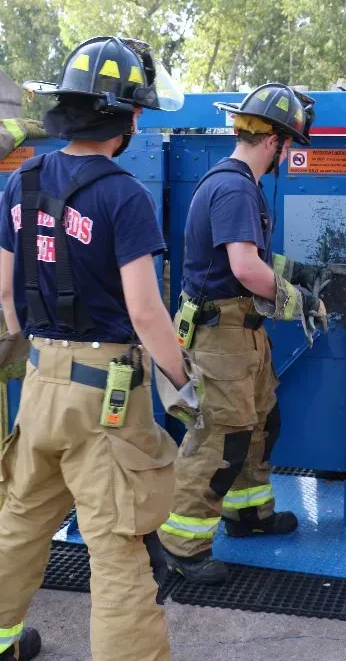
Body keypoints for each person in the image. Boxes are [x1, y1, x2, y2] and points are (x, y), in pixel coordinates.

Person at [0, 36, 192, 661]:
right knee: (116, 545)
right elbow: (145, 310)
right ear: (125, 117)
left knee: (21, 518)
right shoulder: (125, 196)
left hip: (38, 387)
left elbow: (4, 292)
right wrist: (183, 382)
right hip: (104, 400)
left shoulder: (21, 182)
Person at [158, 83, 329, 584]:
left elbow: (246, 257)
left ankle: (248, 515)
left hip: (243, 334)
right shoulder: (234, 187)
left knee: (259, 425)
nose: (288, 154)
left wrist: (294, 268)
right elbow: (245, 269)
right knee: (221, 439)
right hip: (222, 337)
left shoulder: (237, 185)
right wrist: (301, 301)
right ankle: (182, 545)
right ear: (274, 141)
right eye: (290, 144)